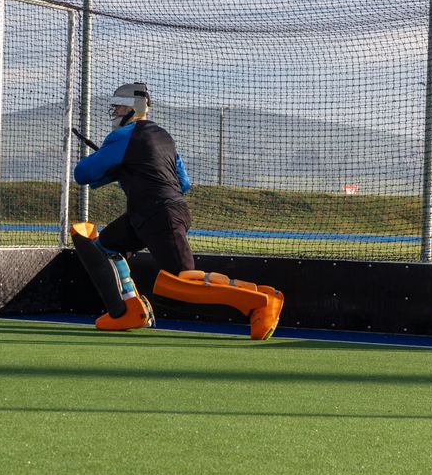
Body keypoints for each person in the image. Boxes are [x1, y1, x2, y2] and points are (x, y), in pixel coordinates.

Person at [70, 82, 284, 340]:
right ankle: (129, 309)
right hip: (152, 215)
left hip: (158, 216)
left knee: (181, 287)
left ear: (131, 108)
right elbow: (183, 183)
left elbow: (82, 174)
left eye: (117, 106)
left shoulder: (122, 136)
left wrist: (112, 166)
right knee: (103, 248)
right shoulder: (164, 137)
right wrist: (126, 169)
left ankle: (260, 302)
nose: (114, 111)